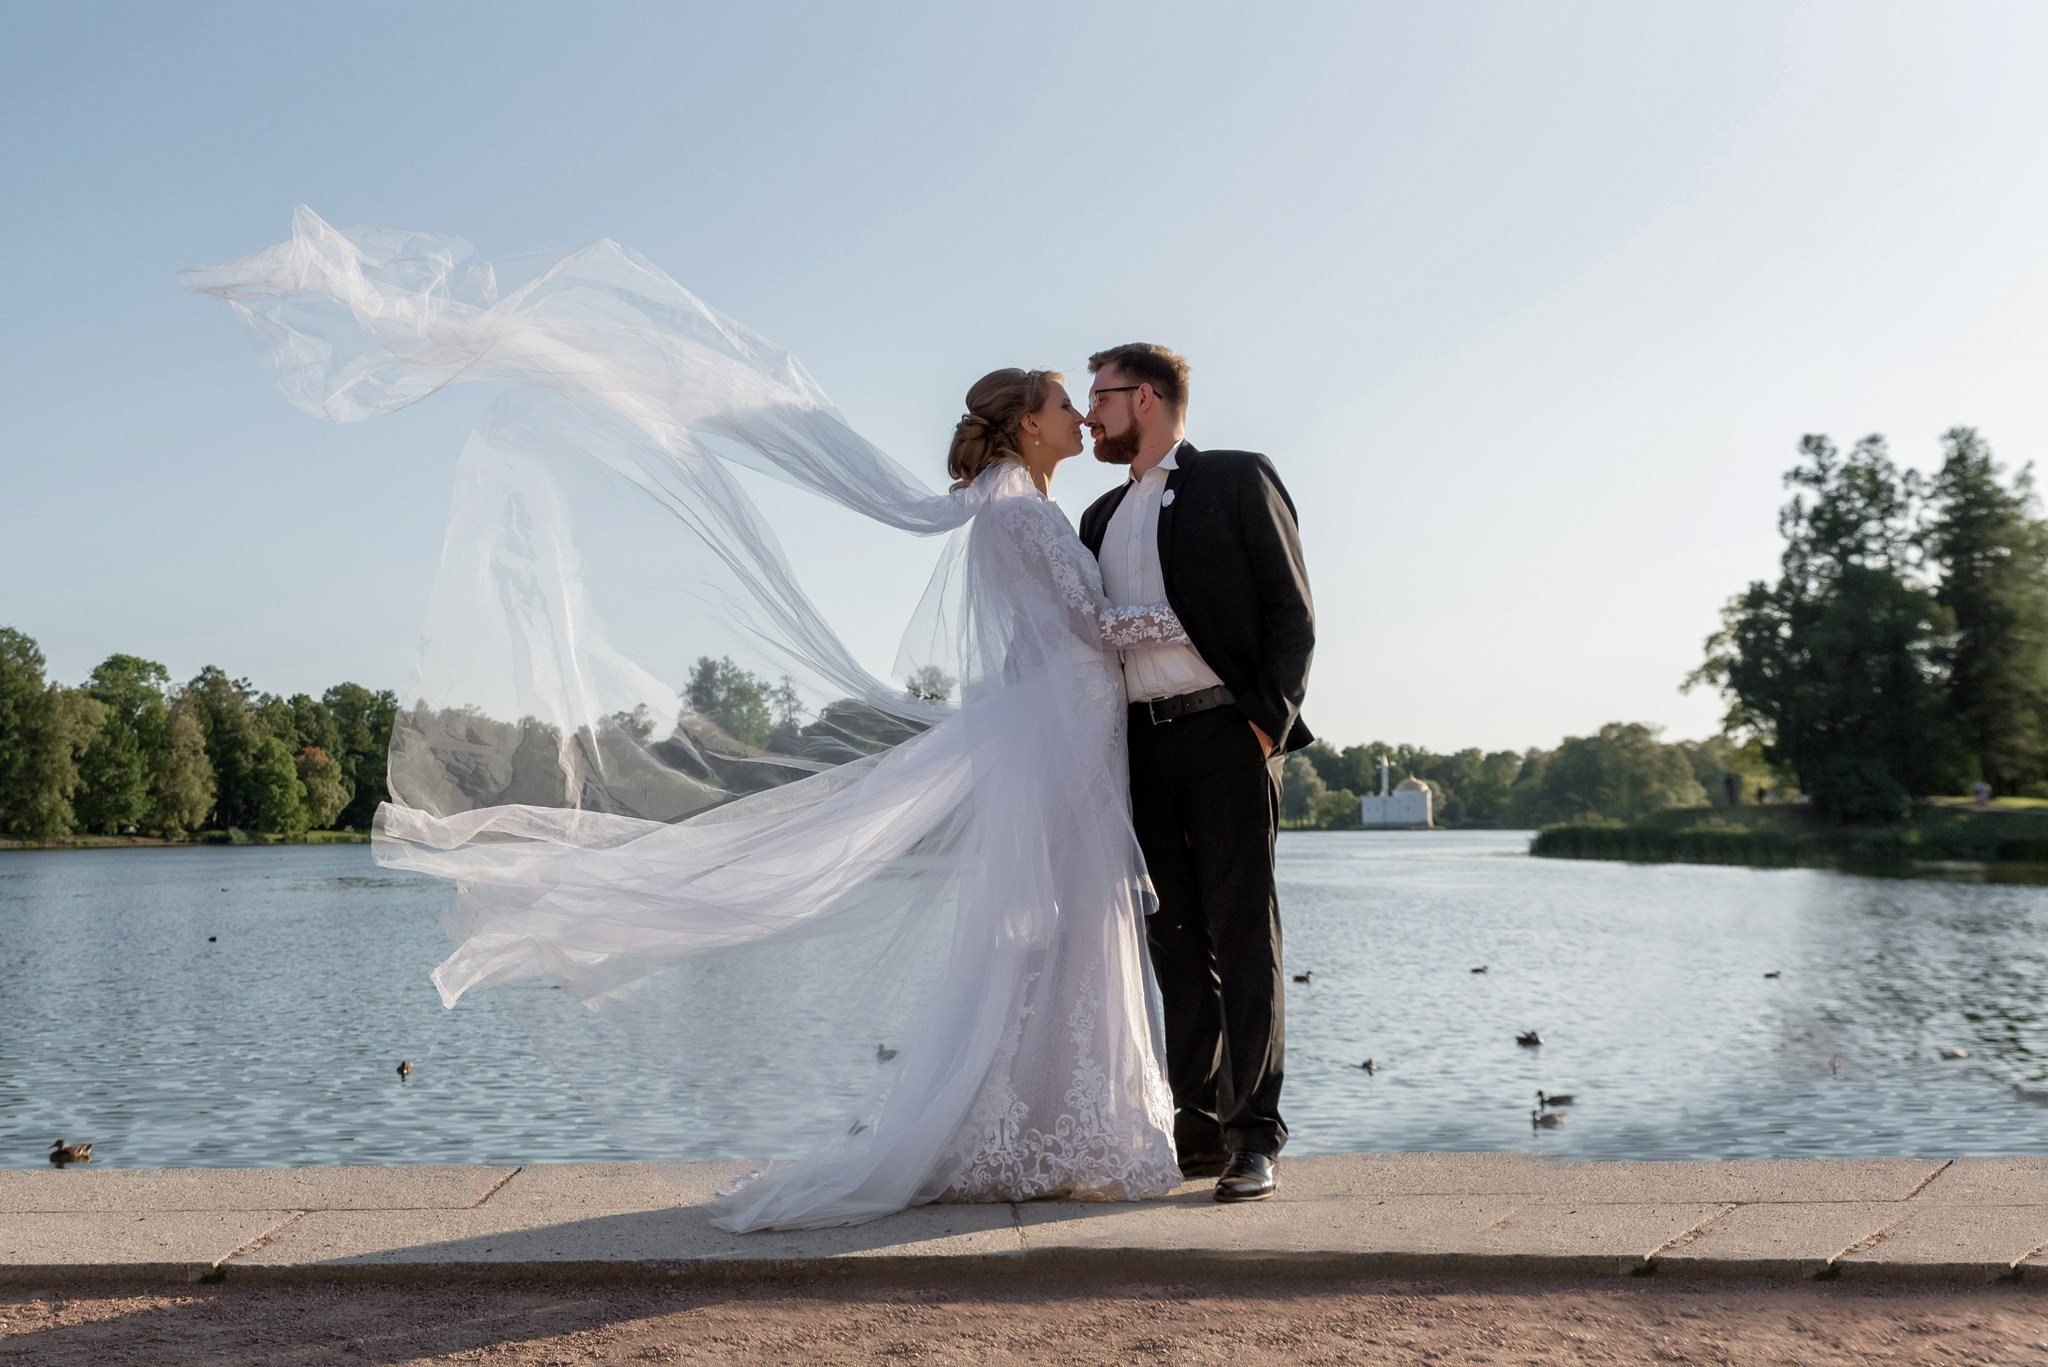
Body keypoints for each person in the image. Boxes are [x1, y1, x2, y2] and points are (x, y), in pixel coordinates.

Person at [188, 210, 1189, 1230]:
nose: (1080, 417)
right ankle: (1057, 1125)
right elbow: (1095, 628)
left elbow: (1044, 642)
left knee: (1059, 927)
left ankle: (1045, 1122)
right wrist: (1201, 622)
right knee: (1069, 923)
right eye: (1064, 405)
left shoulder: (1015, 511)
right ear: (1026, 427)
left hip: (1059, 732)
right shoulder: (1021, 513)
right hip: (1063, 735)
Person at [1079, 344, 1314, 1203]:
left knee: (1243, 936)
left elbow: (1291, 609)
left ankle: (1255, 1136)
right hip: (1140, 750)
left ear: (1144, 397)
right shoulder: (1098, 517)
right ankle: (1200, 1127)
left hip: (1227, 736)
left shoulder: (1237, 478)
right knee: (1173, 942)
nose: (1088, 414)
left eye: (1100, 396)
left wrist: (1264, 725)